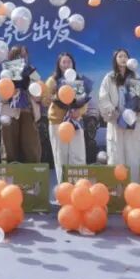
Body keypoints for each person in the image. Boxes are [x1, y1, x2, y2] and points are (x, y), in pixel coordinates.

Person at [98, 48, 140, 182]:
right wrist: (114, 113)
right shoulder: (109, 78)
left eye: (125, 56)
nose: (123, 59)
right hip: (115, 122)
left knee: (134, 156)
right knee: (116, 157)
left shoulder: (136, 77)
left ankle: (134, 187)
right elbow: (103, 98)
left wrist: (137, 111)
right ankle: (118, 189)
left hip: (132, 123)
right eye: (120, 56)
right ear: (115, 60)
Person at [42, 52, 90, 182]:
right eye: (63, 62)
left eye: (69, 61)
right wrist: (58, 96)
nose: (66, 64)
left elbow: (84, 102)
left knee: (78, 157)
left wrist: (79, 112)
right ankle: (64, 187)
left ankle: (79, 187)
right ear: (59, 64)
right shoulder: (52, 80)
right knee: (61, 157)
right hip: (58, 123)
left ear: (73, 64)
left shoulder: (78, 80)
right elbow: (45, 100)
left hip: (75, 123)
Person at [0, 45, 43, 163]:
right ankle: (9, 169)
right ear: (11, 57)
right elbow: (0, 96)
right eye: (17, 55)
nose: (21, 58)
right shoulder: (5, 71)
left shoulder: (31, 70)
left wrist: (30, 89)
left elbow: (40, 90)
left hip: (27, 110)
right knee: (9, 145)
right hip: (9, 112)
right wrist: (10, 90)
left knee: (30, 144)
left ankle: (33, 171)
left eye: (24, 55)